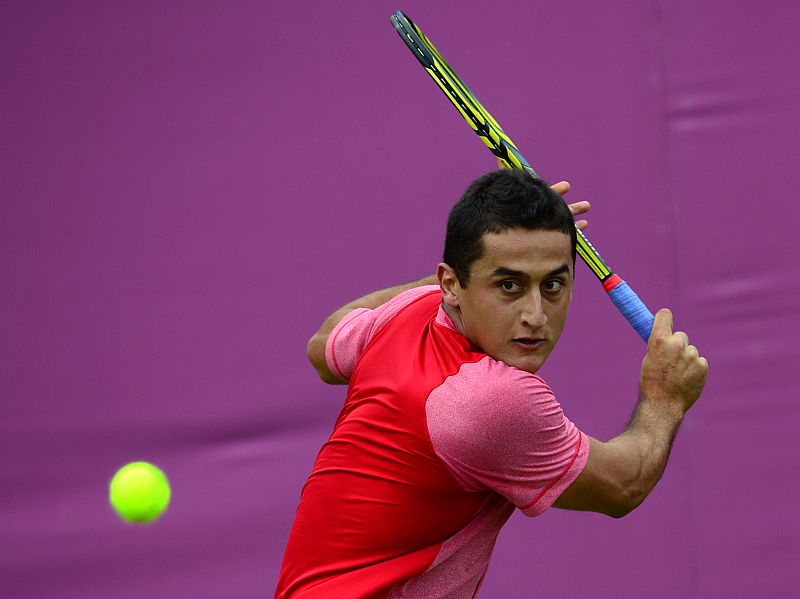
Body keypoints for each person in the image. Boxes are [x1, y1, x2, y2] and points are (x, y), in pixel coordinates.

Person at [275, 169, 708, 598]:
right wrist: (664, 397)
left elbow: (323, 345)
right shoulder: (489, 399)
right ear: (452, 283)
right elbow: (622, 486)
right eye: (509, 285)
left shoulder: (405, 313)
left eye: (552, 283)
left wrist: (466, 271)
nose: (535, 316)